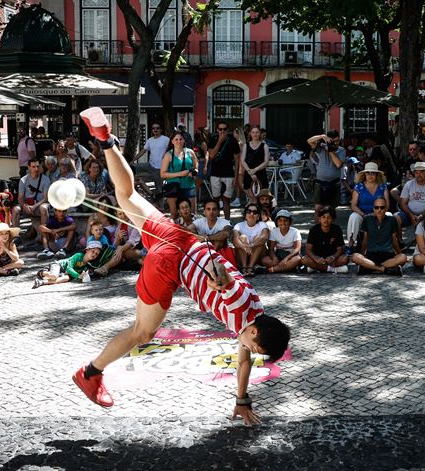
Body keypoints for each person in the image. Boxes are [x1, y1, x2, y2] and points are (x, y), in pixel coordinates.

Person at [74, 108, 290, 425]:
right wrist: (220, 279)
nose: (251, 353)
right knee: (142, 332)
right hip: (169, 263)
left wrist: (242, 400)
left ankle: (106, 139)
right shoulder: (242, 309)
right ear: (254, 332)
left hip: (179, 239)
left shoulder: (253, 315)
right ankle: (90, 374)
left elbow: (243, 359)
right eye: (256, 349)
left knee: (127, 194)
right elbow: (228, 287)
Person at [351, 197, 406, 276]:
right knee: (355, 257)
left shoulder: (392, 220)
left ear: (386, 208)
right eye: (376, 207)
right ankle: (383, 269)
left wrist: (399, 253)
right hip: (371, 254)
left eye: (382, 207)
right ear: (373, 209)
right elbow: (365, 241)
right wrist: (362, 256)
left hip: (387, 255)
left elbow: (394, 240)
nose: (379, 210)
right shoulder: (367, 219)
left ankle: (369, 268)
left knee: (403, 257)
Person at [392, 161, 425, 237]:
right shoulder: (408, 184)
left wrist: (422, 216)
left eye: (421, 172)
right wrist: (411, 215)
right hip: (409, 214)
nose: (418, 175)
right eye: (416, 172)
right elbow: (403, 203)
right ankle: (399, 242)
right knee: (396, 217)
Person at [90, 212, 143, 276]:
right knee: (115, 251)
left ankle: (105, 267)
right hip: (127, 251)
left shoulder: (134, 223)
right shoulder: (120, 227)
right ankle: (138, 261)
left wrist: (120, 249)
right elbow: (114, 246)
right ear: (117, 215)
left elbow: (132, 242)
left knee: (121, 251)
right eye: (120, 214)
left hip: (139, 250)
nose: (123, 216)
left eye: (124, 213)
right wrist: (118, 238)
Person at [348, 162, 388, 246]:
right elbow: (353, 205)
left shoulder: (383, 186)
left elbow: (387, 205)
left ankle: (388, 244)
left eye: (373, 173)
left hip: (379, 213)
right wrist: (363, 215)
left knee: (390, 215)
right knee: (353, 217)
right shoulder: (359, 187)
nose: (370, 175)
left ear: (377, 174)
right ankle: (351, 244)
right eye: (368, 173)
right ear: (364, 174)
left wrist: (376, 214)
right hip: (362, 214)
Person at [160, 131, 198, 220]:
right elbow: (162, 174)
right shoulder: (168, 155)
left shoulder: (190, 152)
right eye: (176, 139)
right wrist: (180, 174)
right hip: (173, 186)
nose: (178, 141)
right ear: (172, 141)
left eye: (180, 139)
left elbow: (196, 167)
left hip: (189, 185)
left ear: (184, 140)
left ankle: (191, 233)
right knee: (174, 214)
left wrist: (194, 172)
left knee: (192, 214)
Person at [207, 121, 240, 220]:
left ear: (228, 130)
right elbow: (211, 155)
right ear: (217, 130)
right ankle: (215, 221)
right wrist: (220, 141)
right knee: (216, 199)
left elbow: (237, 160)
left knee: (227, 200)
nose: (222, 131)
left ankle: (227, 221)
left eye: (224, 129)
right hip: (215, 173)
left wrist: (236, 177)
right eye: (220, 129)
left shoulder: (233, 141)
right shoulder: (213, 139)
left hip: (229, 173)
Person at [301, 206, 349, 273]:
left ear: (332, 219)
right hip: (317, 258)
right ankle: (332, 269)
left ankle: (315, 268)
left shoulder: (337, 229)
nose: (326, 220)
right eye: (323, 217)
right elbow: (308, 250)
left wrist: (333, 257)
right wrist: (316, 259)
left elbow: (340, 249)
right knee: (304, 260)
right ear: (319, 219)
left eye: (329, 217)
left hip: (332, 258)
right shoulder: (313, 230)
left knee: (345, 259)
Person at [33, 240, 101, 288]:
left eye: (96, 254)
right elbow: (69, 268)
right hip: (59, 265)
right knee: (54, 276)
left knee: (66, 278)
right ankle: (42, 273)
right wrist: (78, 276)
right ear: (87, 250)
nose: (94, 254)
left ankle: (41, 282)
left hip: (65, 273)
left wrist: (82, 276)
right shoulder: (78, 256)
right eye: (93, 251)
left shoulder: (88, 265)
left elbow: (79, 275)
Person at [306, 130, 346, 214]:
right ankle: (318, 226)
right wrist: (322, 136)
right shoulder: (321, 147)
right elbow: (309, 141)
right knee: (318, 208)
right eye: (333, 141)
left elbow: (338, 164)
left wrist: (331, 151)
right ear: (328, 140)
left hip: (334, 182)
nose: (336, 143)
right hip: (320, 182)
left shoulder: (341, 150)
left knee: (331, 210)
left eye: (337, 141)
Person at [187, 199, 235, 264]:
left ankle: (210, 259)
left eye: (214, 209)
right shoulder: (199, 221)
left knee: (219, 241)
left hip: (220, 252)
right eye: (208, 209)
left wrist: (207, 238)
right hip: (203, 250)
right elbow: (187, 230)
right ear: (204, 212)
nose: (211, 212)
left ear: (218, 212)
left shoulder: (224, 222)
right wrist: (198, 236)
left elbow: (226, 233)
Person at [232, 203, 270, 276]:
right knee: (243, 238)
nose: (251, 214)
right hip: (243, 254)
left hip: (258, 255)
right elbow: (235, 240)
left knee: (258, 238)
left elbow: (265, 237)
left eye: (255, 212)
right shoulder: (239, 225)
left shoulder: (262, 224)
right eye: (249, 211)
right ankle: (244, 267)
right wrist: (245, 247)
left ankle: (250, 268)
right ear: (245, 215)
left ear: (258, 216)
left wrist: (251, 245)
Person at [136, 123, 170, 204]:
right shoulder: (150, 140)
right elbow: (143, 151)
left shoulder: (166, 139)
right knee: (132, 167)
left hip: (160, 168)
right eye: (153, 128)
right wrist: (133, 160)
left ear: (161, 130)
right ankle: (149, 194)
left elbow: (172, 150)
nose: (155, 130)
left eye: (157, 128)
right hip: (150, 165)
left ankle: (161, 207)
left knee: (159, 189)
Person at [16, 159, 51, 237]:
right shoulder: (23, 180)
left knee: (44, 208)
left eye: (38, 166)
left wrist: (34, 206)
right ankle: (15, 237)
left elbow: (46, 198)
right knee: (15, 209)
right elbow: (20, 198)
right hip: (27, 205)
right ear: (29, 167)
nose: (36, 169)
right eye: (33, 167)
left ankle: (43, 237)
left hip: (39, 204)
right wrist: (25, 206)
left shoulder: (45, 179)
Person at [260, 209, 302, 273]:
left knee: (298, 259)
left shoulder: (295, 231)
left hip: (291, 256)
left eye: (286, 221)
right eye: (280, 221)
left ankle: (271, 270)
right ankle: (288, 267)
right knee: (264, 260)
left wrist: (286, 259)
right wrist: (274, 258)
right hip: (279, 255)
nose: (283, 223)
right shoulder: (274, 232)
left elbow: (297, 249)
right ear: (277, 222)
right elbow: (271, 249)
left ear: (290, 222)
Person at [239, 127, 270, 203]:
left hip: (261, 173)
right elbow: (242, 160)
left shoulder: (264, 146)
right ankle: (253, 212)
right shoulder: (246, 145)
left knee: (262, 198)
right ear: (250, 133)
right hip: (248, 173)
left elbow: (266, 162)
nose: (255, 134)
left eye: (257, 132)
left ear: (260, 134)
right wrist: (250, 171)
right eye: (253, 132)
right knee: (251, 197)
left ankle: (260, 213)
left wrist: (255, 170)